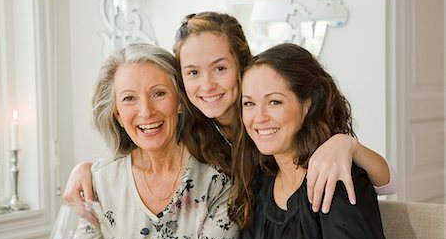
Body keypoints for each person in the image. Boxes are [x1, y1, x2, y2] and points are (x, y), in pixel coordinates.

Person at [64, 12, 396, 223]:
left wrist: (345, 145)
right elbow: (145, 144)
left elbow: (389, 184)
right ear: (181, 82)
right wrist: (88, 170)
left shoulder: (273, 123)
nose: (207, 85)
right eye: (193, 72)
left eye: (220, 68)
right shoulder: (192, 128)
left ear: (242, 65)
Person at [62, 43, 238, 239]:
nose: (146, 111)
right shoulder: (100, 179)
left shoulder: (218, 182)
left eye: (159, 93)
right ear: (117, 112)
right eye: (129, 98)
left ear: (180, 102)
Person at [229, 43, 396, 239]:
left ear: (307, 105)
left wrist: (349, 145)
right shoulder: (261, 180)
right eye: (249, 103)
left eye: (274, 102)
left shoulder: (336, 179)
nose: (259, 117)